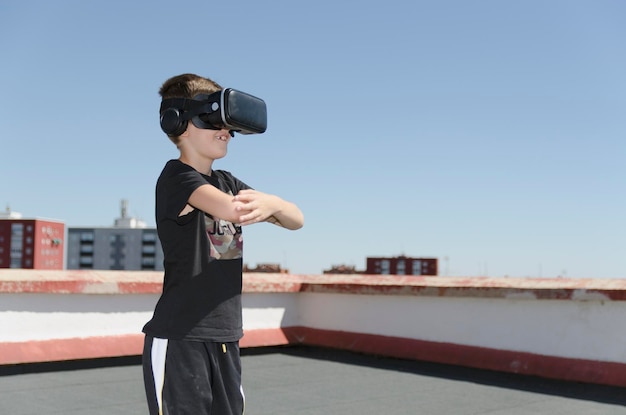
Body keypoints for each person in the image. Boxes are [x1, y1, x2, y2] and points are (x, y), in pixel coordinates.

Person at [142, 73, 304, 415]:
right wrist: (270, 204)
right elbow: (232, 208)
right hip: (180, 336)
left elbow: (296, 219)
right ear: (179, 124)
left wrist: (274, 204)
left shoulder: (228, 182)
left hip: (226, 334)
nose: (226, 132)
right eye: (213, 121)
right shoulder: (176, 177)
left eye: (229, 126)